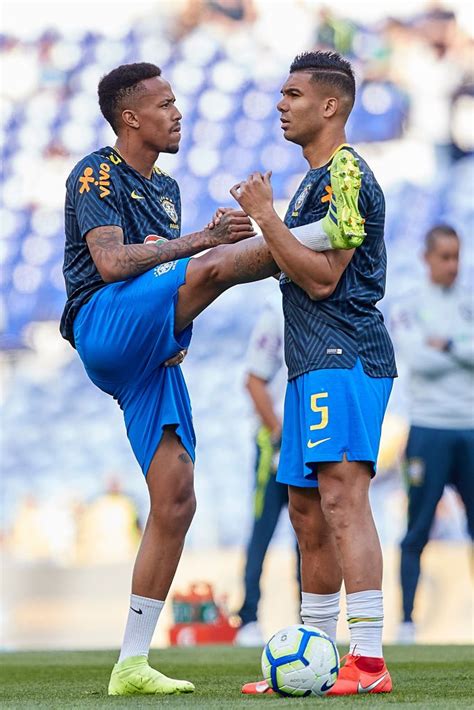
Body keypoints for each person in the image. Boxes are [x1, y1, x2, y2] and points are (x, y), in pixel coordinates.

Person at [60, 62, 347, 696]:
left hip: (148, 351)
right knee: (214, 261)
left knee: (177, 496)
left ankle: (131, 664)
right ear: (130, 117)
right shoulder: (96, 172)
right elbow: (110, 264)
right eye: (164, 104)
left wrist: (175, 330)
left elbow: (172, 286)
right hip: (102, 326)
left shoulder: (164, 190)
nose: (177, 113)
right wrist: (204, 240)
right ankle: (320, 235)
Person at [233, 51, 397, 696]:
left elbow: (326, 280)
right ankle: (315, 655)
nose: (282, 104)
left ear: (330, 106)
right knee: (305, 511)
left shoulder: (348, 172)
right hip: (306, 363)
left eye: (293, 93)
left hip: (346, 353)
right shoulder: (311, 181)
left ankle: (370, 660)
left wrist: (265, 219)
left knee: (341, 500)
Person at [391, 225, 474, 644]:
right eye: (445, 256)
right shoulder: (410, 304)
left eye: (456, 256)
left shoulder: (468, 301)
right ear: (427, 258)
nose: (452, 265)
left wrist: (446, 345)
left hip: (470, 426)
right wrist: (461, 349)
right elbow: (418, 361)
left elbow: (438, 352)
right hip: (428, 428)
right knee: (418, 527)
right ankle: (407, 620)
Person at [235, 291, 300, 647]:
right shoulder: (275, 309)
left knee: (309, 534)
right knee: (262, 530)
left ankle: (311, 615)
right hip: (275, 442)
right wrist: (277, 432)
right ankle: (247, 617)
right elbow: (254, 380)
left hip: (308, 438)